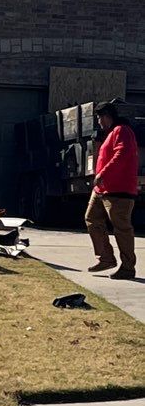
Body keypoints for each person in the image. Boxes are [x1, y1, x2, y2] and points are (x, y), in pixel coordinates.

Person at [85, 101, 139, 280]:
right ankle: (106, 258)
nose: (98, 122)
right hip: (103, 189)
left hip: (119, 190)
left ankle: (128, 267)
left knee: (122, 228)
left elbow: (122, 154)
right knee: (92, 219)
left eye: (99, 118)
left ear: (107, 116)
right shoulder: (111, 133)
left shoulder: (122, 131)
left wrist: (103, 173)